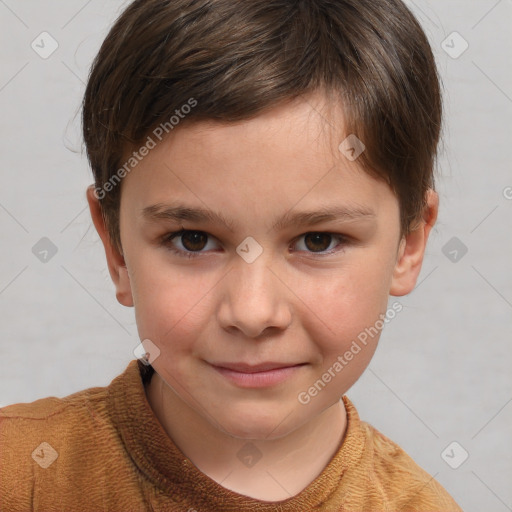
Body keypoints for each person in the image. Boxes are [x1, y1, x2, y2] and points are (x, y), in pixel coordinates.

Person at [0, 0, 463, 510]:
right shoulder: (19, 475)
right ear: (116, 248)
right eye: (192, 239)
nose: (252, 312)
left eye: (317, 241)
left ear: (410, 243)